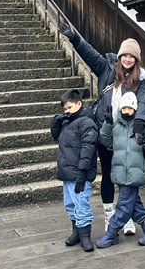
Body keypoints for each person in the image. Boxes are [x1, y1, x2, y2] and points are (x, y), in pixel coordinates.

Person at [58, 23, 145, 234]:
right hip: (105, 131)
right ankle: (110, 214)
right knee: (109, 174)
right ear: (119, 56)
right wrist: (75, 38)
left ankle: (125, 214)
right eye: (125, 55)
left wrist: (139, 124)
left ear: (136, 60)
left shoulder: (140, 81)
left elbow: (143, 103)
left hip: (126, 134)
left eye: (132, 57)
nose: (128, 60)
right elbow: (89, 54)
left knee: (126, 176)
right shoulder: (106, 69)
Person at [95, 91, 145, 248]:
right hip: (119, 171)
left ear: (135, 109)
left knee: (123, 207)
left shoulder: (141, 126)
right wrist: (107, 124)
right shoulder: (116, 126)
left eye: (129, 109)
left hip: (134, 173)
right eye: (123, 108)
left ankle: (111, 233)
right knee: (134, 205)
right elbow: (105, 140)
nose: (126, 111)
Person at [50, 88, 98, 252]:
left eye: (69, 108)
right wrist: (57, 121)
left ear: (79, 103)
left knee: (81, 203)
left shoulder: (87, 122)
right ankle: (76, 232)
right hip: (67, 171)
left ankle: (85, 236)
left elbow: (88, 148)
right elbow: (56, 136)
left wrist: (82, 172)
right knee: (70, 204)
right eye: (64, 109)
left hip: (80, 173)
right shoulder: (67, 122)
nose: (67, 111)